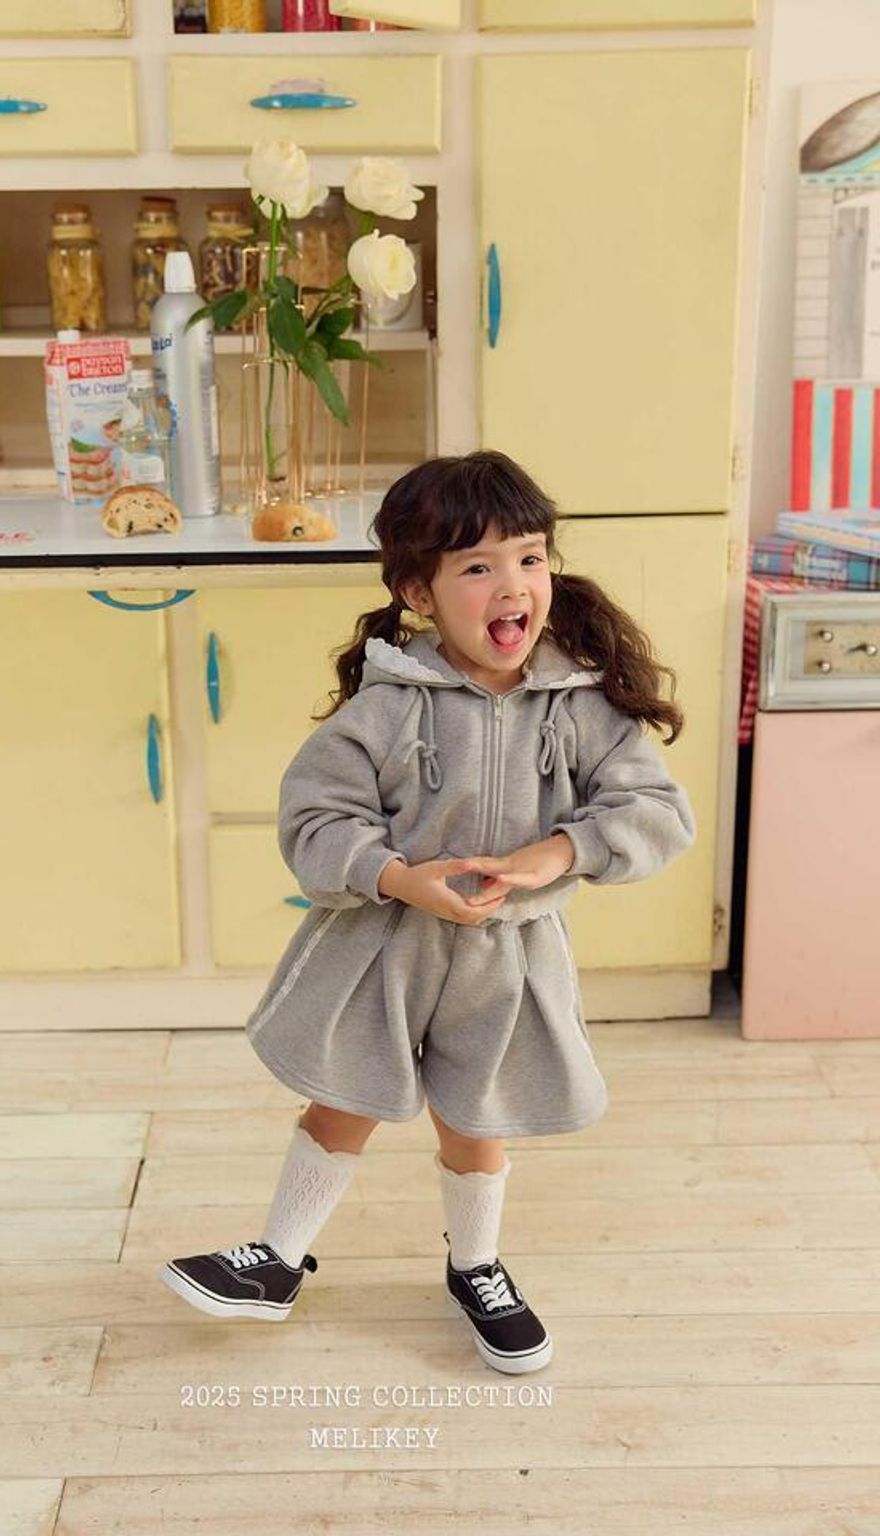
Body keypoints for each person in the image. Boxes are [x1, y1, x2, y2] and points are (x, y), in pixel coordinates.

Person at [161, 450, 696, 1374]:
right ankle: (278, 1260)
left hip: (505, 958)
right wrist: (398, 877)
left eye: (530, 558)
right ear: (420, 592)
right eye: (478, 567)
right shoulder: (386, 704)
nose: (513, 586)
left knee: (476, 1119)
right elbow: (315, 819)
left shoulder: (579, 704)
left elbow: (655, 810)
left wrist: (555, 853)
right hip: (382, 946)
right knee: (342, 1098)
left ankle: (475, 1266)